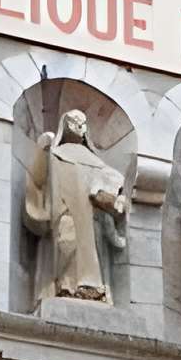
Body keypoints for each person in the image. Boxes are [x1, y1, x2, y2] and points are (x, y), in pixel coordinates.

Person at [22, 108, 128, 305]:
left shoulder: (96, 162)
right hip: (64, 215)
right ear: (66, 125)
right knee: (67, 245)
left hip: (90, 222)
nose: (78, 126)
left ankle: (92, 289)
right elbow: (37, 182)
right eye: (73, 121)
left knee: (90, 255)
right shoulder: (55, 154)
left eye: (82, 122)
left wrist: (116, 200)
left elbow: (114, 184)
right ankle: (64, 287)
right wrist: (42, 150)